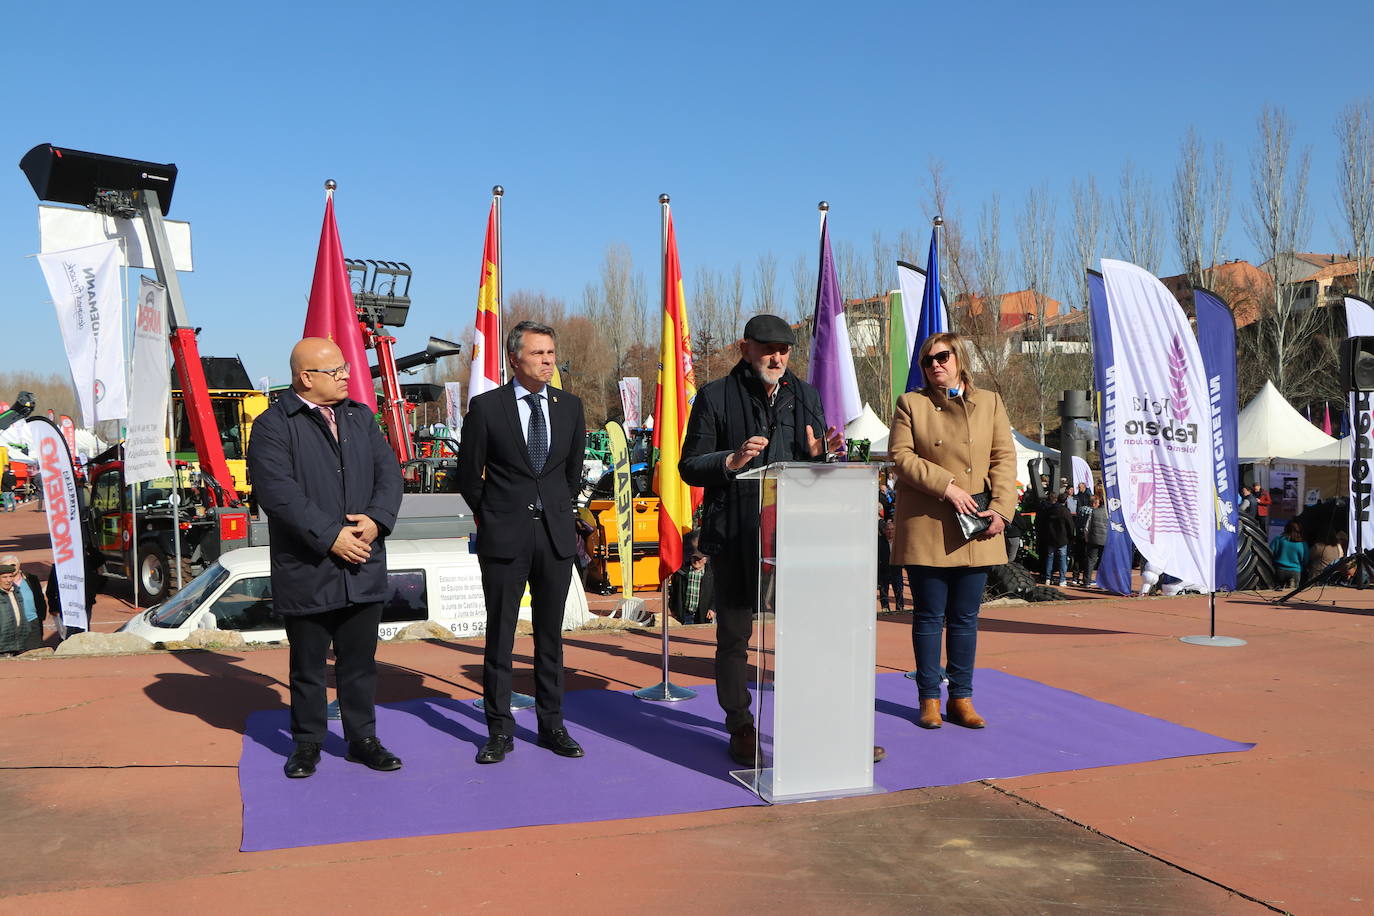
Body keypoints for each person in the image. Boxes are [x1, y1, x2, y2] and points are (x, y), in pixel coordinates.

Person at [680, 314, 884, 767]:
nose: (777, 357)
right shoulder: (715, 396)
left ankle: (824, 727)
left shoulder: (804, 396)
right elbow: (689, 465)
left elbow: (816, 463)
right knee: (734, 637)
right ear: (744, 347)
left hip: (795, 536)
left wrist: (823, 456)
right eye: (768, 348)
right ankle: (740, 726)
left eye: (785, 349)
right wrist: (730, 460)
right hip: (735, 534)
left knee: (810, 636)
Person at [246, 337, 403, 779]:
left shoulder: (360, 417)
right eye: (335, 371)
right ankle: (308, 742)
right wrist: (331, 536)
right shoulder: (274, 425)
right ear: (305, 378)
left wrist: (376, 520)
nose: (346, 375)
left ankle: (362, 739)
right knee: (308, 666)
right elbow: (278, 494)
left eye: (344, 368)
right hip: (309, 567)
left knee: (359, 664)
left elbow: (389, 473)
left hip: (363, 560)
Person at [456, 320, 587, 765]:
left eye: (551, 353)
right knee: (501, 637)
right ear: (515, 358)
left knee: (550, 638)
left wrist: (557, 508)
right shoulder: (487, 408)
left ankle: (552, 726)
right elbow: (468, 476)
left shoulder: (570, 406)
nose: (548, 361)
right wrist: (494, 514)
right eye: (538, 354)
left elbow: (571, 473)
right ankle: (499, 730)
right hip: (505, 537)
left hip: (554, 536)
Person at [889, 331, 1015, 730]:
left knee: (965, 618)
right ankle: (928, 698)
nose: (935, 365)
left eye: (942, 357)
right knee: (928, 616)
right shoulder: (911, 403)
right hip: (928, 523)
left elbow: (1004, 458)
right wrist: (948, 486)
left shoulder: (990, 402)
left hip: (976, 525)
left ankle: (962, 697)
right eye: (928, 361)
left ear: (959, 359)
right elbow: (900, 456)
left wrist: (1001, 510)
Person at [0, 557, 43, 655]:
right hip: (4, 641)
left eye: (10, 577)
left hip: (22, 634)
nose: (8, 580)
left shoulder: (16, 592)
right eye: (4, 577)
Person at [669, 534, 715, 625]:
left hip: (704, 614)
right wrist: (673, 608)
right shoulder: (681, 572)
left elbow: (716, 593)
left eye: (699, 559)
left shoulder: (711, 574)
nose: (696, 561)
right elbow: (673, 591)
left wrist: (713, 609)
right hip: (685, 614)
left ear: (705, 559)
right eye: (694, 558)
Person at [1035, 492, 1075, 586]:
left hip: (1051, 537)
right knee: (1062, 558)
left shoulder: (1049, 510)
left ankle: (1048, 578)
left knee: (1050, 558)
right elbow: (1070, 525)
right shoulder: (1065, 511)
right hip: (1062, 538)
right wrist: (1070, 537)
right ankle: (1062, 579)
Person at [1269, 520, 1308, 588]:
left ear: (1286, 528)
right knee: (1292, 594)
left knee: (1278, 592)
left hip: (1279, 570)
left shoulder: (1278, 539)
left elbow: (1270, 553)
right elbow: (1305, 560)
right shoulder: (1302, 543)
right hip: (1295, 572)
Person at [877, 518, 905, 611]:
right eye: (888, 529)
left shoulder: (899, 541)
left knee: (899, 589)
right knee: (883, 590)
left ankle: (900, 607)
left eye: (892, 529)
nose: (890, 531)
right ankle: (885, 608)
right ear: (884, 531)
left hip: (896, 569)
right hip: (883, 569)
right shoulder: (879, 542)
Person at [1083, 496, 1109, 587]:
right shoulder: (1109, 514)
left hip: (1093, 539)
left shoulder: (1094, 512)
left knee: (1090, 561)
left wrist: (1087, 538)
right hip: (1105, 540)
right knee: (1103, 562)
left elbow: (1087, 527)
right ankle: (1103, 582)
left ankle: (1087, 581)